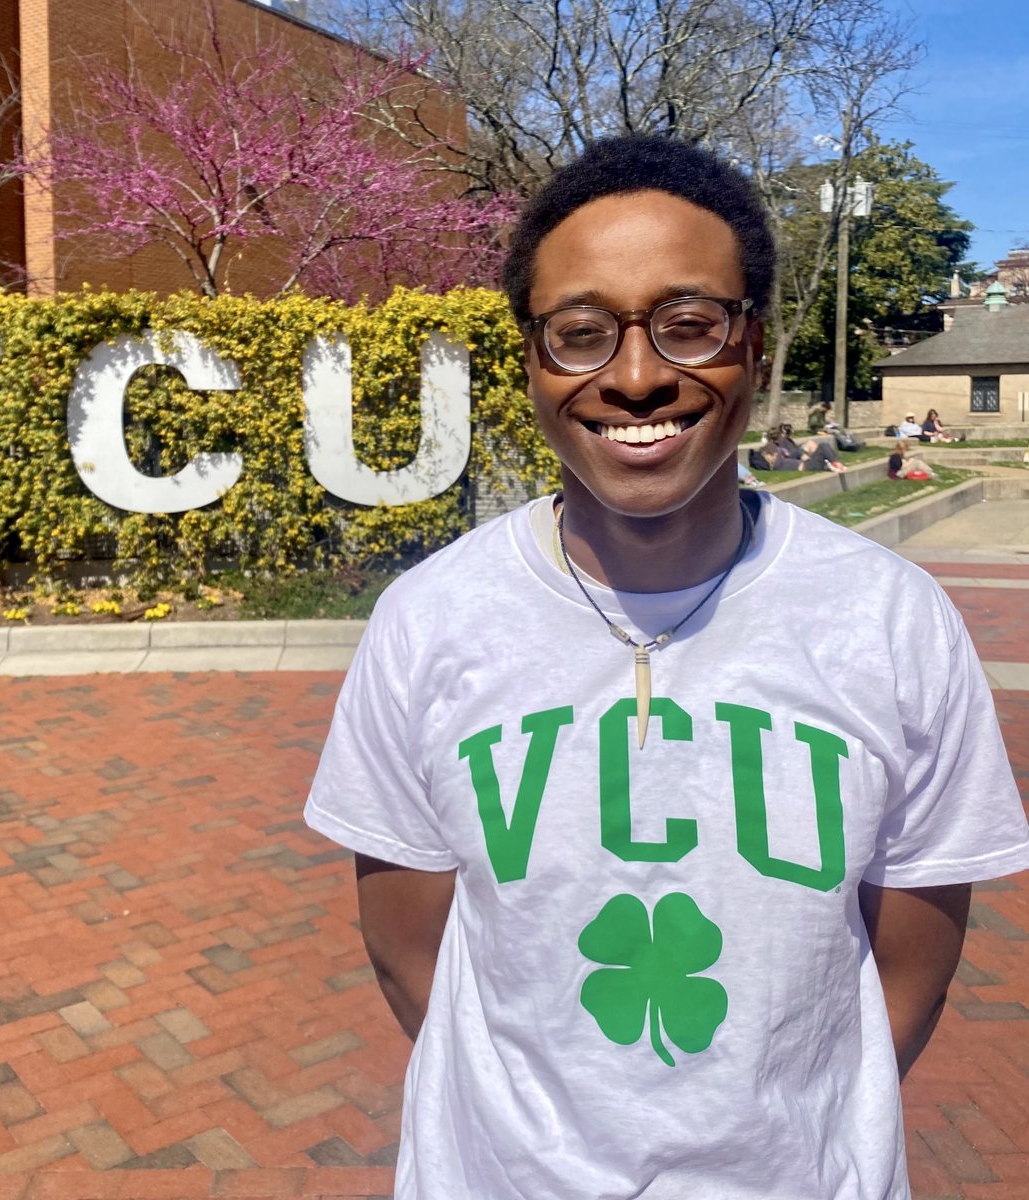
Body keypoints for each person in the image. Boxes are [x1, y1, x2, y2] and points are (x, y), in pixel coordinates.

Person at [305, 134, 1029, 1200]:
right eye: (582, 333)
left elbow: (910, 966)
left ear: (757, 346)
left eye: (689, 325)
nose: (637, 379)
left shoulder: (890, 621)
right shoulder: (429, 623)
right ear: (534, 361)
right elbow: (407, 950)